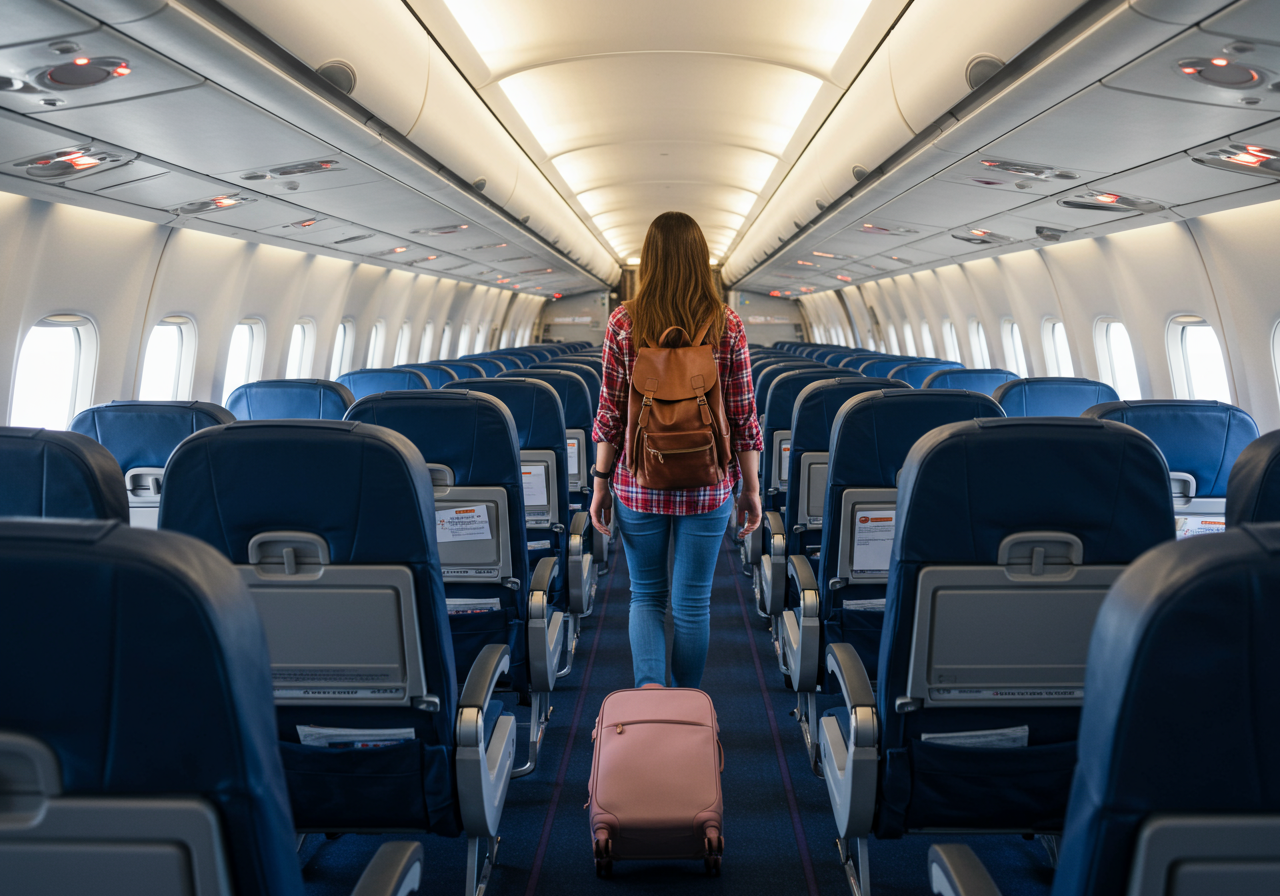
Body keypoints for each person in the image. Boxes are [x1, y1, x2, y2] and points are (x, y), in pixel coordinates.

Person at [589, 211, 763, 689]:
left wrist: (601, 484)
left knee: (645, 596)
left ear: (648, 261)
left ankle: (649, 698)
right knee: (692, 603)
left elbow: (610, 413)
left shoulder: (624, 321)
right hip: (709, 487)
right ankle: (688, 709)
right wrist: (751, 490)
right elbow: (745, 419)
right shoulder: (728, 324)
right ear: (700, 261)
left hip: (637, 484)